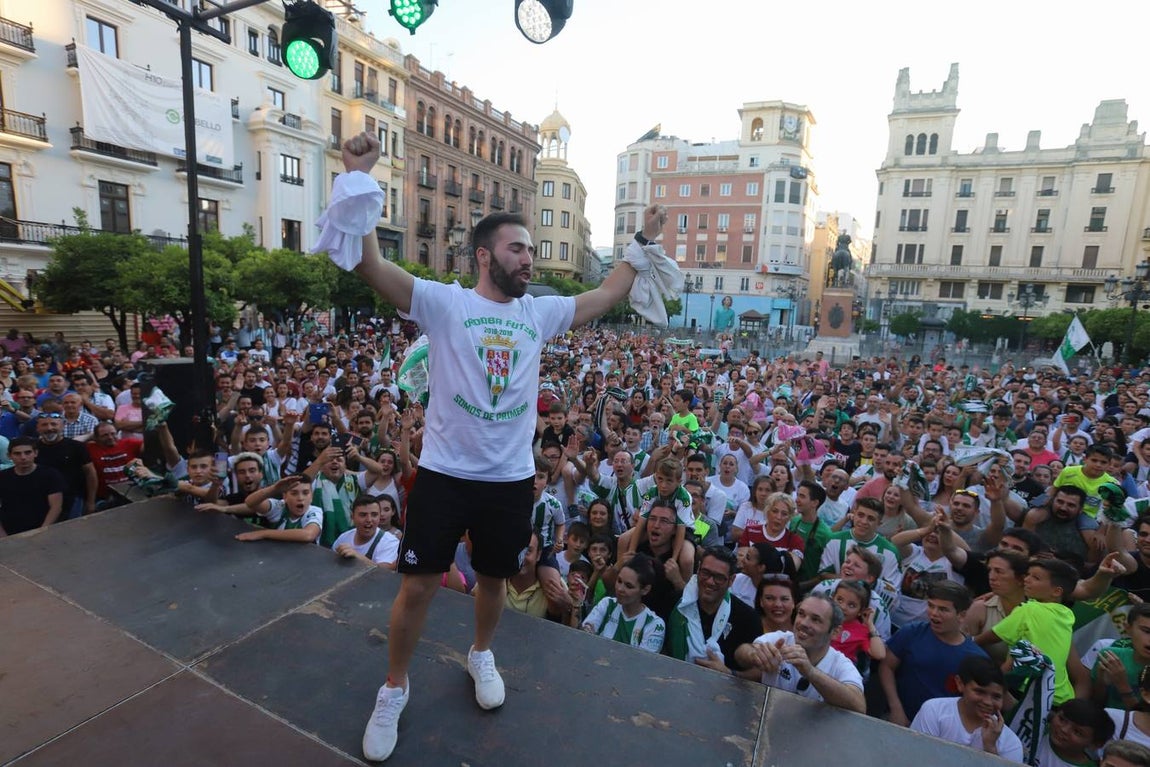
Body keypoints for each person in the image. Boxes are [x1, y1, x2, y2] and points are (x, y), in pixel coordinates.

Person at [335, 131, 667, 763]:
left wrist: (643, 241)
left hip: (510, 480)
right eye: (519, 249)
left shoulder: (537, 314)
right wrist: (356, 177)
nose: (529, 261)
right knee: (418, 588)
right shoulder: (442, 303)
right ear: (485, 256)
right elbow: (371, 266)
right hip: (442, 475)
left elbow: (607, 293)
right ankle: (393, 687)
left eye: (532, 252)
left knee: (493, 581)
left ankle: (482, 654)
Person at [735, 592, 867, 713]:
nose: (804, 623)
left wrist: (810, 672)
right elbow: (742, 652)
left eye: (815, 619)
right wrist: (754, 655)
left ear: (835, 632)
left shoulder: (840, 664)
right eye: (801, 614)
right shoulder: (781, 640)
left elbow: (859, 706)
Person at [879, 580, 988, 725]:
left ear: (961, 615)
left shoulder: (975, 657)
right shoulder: (912, 632)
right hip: (900, 720)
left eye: (943, 609)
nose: (934, 613)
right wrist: (895, 707)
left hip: (942, 730)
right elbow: (886, 666)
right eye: (931, 606)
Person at [666, 546, 761, 678]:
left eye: (719, 577)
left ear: (731, 580)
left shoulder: (747, 618)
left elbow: (759, 673)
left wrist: (729, 674)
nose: (710, 582)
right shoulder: (675, 603)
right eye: (705, 573)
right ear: (698, 569)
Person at [909, 656, 1024, 761]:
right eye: (979, 692)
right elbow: (915, 757)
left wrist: (990, 748)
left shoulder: (1010, 743)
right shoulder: (934, 711)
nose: (988, 702)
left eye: (996, 696)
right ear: (960, 684)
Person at [580, 552, 666, 653]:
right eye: (619, 581)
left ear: (645, 590)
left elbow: (642, 663)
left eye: (629, 586)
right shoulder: (607, 603)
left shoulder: (655, 624)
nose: (620, 589)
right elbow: (585, 636)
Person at [0, 437, 64, 536]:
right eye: (17, 453)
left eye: (28, 452)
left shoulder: (50, 475)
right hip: (9, 531)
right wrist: (2, 534)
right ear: (9, 456)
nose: (23, 457)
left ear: (36, 453)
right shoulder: (3, 477)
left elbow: (56, 507)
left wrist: (43, 530)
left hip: (42, 529)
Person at [332, 494, 401, 568]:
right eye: (363, 515)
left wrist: (357, 556)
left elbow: (384, 573)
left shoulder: (390, 542)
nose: (369, 520)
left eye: (374, 515)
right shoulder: (343, 538)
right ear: (352, 517)